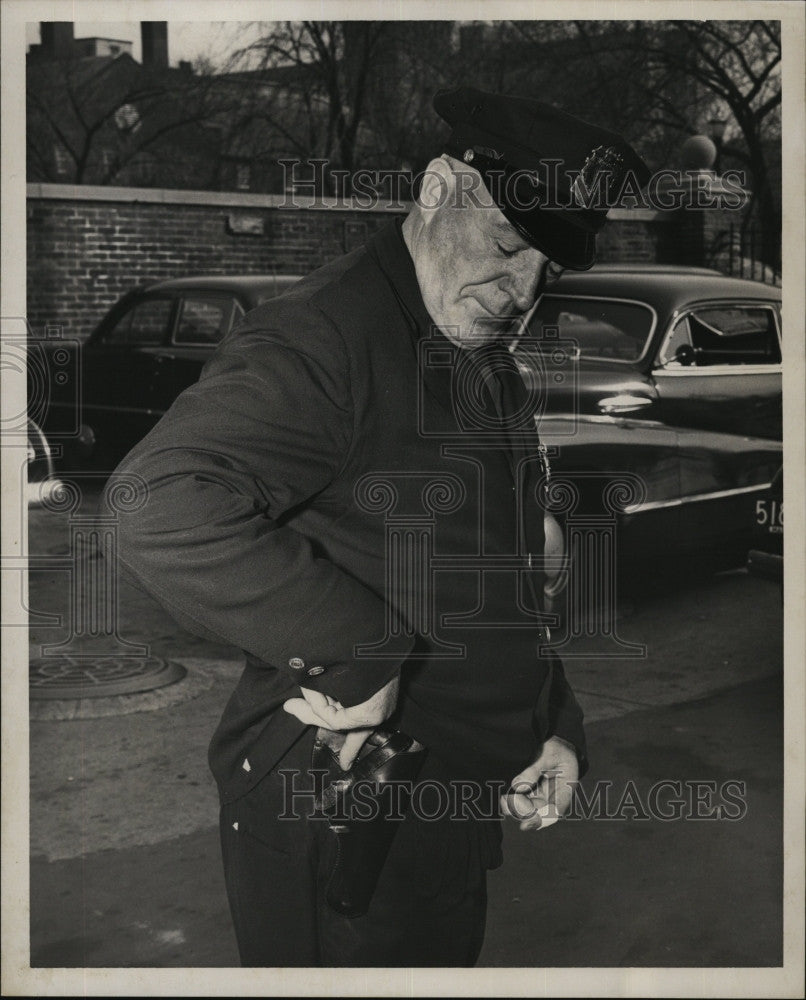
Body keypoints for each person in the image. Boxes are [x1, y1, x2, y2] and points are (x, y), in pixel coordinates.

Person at [109, 86, 649, 967]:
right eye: (511, 244)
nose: (522, 291)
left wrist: (552, 722)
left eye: (547, 270)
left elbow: (493, 574)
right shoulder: (326, 340)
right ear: (439, 187)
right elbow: (155, 504)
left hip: (445, 815)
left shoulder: (479, 358)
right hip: (344, 813)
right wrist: (359, 652)